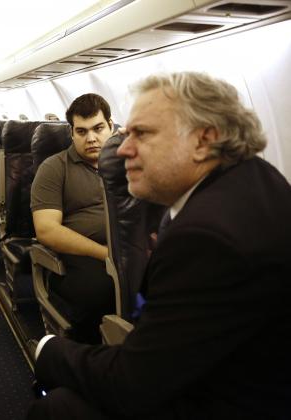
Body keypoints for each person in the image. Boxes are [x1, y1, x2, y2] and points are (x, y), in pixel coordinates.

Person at [28, 72, 291, 419]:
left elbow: (134, 384)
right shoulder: (260, 177)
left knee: (54, 407)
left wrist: (49, 351)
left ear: (204, 140)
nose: (123, 149)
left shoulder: (202, 238)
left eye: (142, 134)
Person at [30, 93, 117, 343]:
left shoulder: (128, 163)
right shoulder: (54, 168)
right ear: (71, 133)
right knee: (101, 291)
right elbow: (47, 230)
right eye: (81, 131)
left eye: (98, 128)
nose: (91, 138)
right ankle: (90, 354)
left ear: (111, 126)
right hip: (82, 256)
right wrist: (105, 254)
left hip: (128, 250)